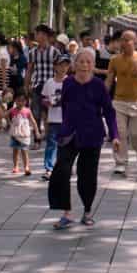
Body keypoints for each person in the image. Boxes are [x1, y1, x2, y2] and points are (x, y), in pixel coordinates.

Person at [48, 49, 120, 230]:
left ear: (93, 65)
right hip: (69, 134)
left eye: (89, 62)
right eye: (81, 61)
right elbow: (65, 106)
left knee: (87, 176)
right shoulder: (68, 84)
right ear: (75, 64)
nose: (85, 65)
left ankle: (87, 211)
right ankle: (67, 213)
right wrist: (65, 126)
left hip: (92, 134)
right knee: (61, 170)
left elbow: (109, 112)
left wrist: (115, 135)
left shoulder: (98, 85)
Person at [106, 30, 137, 175]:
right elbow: (109, 80)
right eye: (122, 40)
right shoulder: (114, 60)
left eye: (127, 40)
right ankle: (120, 162)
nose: (124, 43)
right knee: (120, 133)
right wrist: (102, 94)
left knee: (136, 135)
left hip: (136, 101)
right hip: (118, 102)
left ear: (135, 43)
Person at [40, 55, 70, 180]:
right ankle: (49, 168)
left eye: (66, 65)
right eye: (61, 65)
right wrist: (48, 103)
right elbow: (43, 98)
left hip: (67, 120)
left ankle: (65, 167)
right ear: (55, 66)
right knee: (51, 144)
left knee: (66, 145)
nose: (63, 68)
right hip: (53, 119)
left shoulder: (70, 81)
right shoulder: (49, 82)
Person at [26, 25, 58, 126]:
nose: (41, 36)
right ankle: (37, 137)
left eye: (44, 34)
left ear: (47, 36)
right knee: (36, 112)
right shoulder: (32, 52)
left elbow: (59, 70)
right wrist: (26, 86)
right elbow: (29, 70)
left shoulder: (54, 52)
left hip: (51, 86)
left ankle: (49, 136)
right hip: (37, 85)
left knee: (49, 112)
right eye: (39, 34)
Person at [6, 91, 40, 176]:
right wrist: (9, 122)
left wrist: (37, 132)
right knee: (15, 151)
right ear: (15, 101)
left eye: (22, 100)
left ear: (26, 101)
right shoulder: (13, 110)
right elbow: (4, 114)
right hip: (15, 134)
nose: (20, 102)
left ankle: (26, 167)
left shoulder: (27, 111)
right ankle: (16, 166)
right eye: (18, 100)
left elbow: (33, 122)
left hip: (24, 135)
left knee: (24, 151)